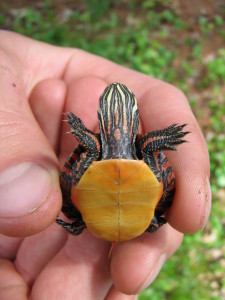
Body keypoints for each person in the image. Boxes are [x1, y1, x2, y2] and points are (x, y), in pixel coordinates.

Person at [0, 30, 211, 300]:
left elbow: (81, 163)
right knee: (146, 151)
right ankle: (84, 223)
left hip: (96, 215)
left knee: (97, 152)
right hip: (144, 216)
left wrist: (78, 130)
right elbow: (155, 163)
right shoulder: (142, 147)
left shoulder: (96, 146)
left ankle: (78, 223)